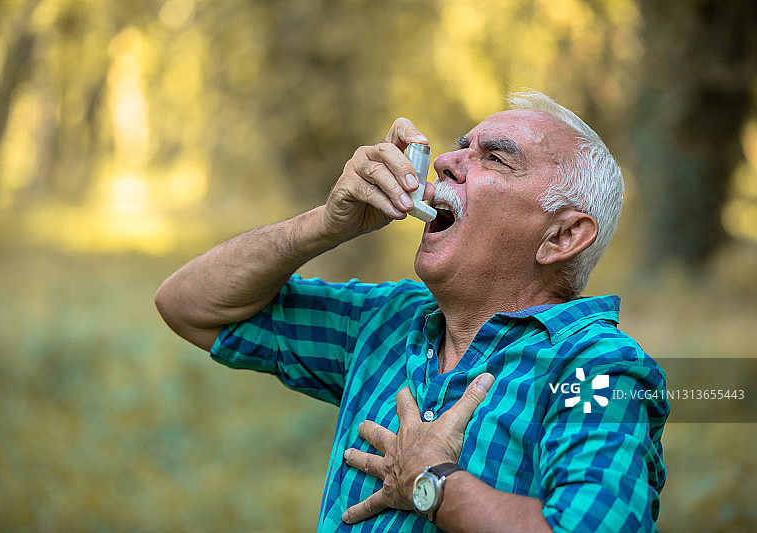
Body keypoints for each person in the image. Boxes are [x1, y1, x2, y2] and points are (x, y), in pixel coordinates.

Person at [155, 89, 668, 532]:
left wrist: (434, 483)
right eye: (461, 146)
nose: (446, 160)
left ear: (562, 236)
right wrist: (325, 225)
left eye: (495, 159)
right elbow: (191, 307)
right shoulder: (388, 318)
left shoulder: (597, 369)